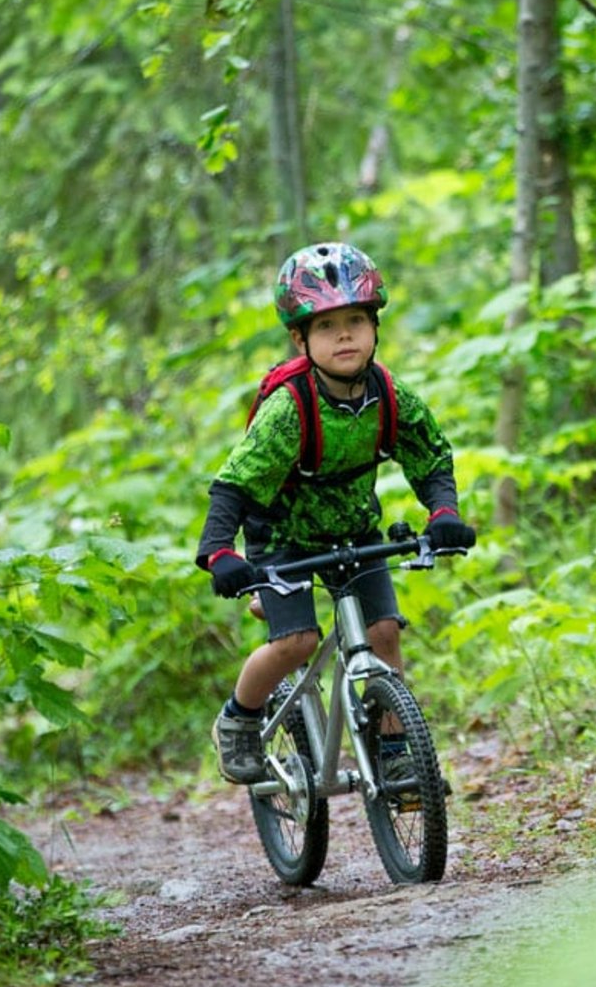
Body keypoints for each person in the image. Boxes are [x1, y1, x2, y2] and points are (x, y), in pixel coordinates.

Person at [195, 242, 475, 784]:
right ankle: (238, 720)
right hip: (283, 539)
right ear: (300, 339)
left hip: (352, 531)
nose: (343, 336)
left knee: (386, 631)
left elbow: (430, 456)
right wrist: (220, 552)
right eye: (326, 327)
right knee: (296, 642)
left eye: (354, 321)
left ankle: (395, 753)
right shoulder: (290, 407)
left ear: (374, 327)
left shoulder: (388, 394)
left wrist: (442, 512)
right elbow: (233, 485)